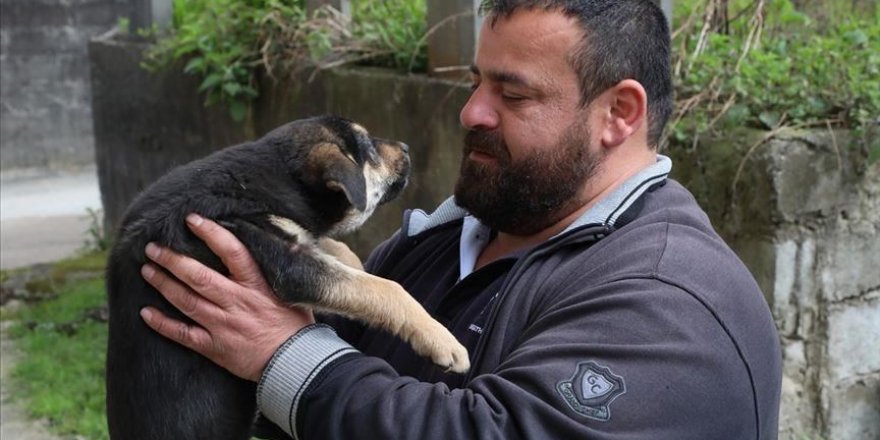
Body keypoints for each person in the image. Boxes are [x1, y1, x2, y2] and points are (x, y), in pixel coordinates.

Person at [138, 1, 783, 438]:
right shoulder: (442, 241)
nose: (472, 111)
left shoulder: (672, 300)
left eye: (513, 92)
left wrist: (286, 356)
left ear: (618, 113)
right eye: (476, 82)